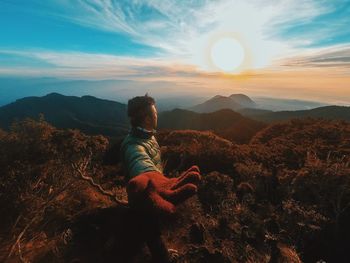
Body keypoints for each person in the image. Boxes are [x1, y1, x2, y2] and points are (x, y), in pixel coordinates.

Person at [120, 94, 201, 263]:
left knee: (147, 233)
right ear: (148, 119)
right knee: (152, 234)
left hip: (153, 194)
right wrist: (150, 176)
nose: (158, 116)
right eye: (155, 114)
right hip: (144, 196)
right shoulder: (133, 145)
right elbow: (139, 159)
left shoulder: (147, 136)